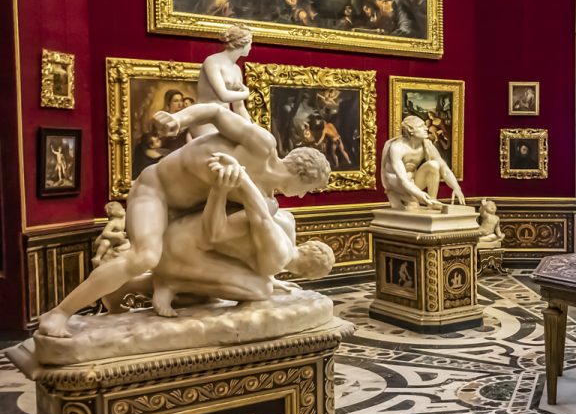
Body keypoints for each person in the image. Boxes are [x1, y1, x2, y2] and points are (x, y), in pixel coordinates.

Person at [37, 102, 331, 338]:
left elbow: (217, 232)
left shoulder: (266, 201)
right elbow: (217, 112)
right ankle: (60, 313)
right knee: (144, 256)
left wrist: (220, 189)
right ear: (302, 175)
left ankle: (130, 290)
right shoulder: (261, 146)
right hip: (155, 190)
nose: (303, 197)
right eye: (309, 190)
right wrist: (179, 120)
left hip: (183, 215)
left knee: (189, 269)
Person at [381, 115, 465, 211]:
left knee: (433, 165)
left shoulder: (426, 145)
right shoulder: (397, 148)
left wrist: (456, 187)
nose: (426, 128)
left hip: (412, 182)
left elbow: (444, 169)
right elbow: (402, 179)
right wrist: (419, 193)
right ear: (411, 130)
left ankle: (432, 201)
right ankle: (410, 200)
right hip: (397, 184)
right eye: (421, 126)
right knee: (413, 208)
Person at [193, 24, 253, 139]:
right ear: (243, 43)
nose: (251, 47)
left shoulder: (236, 69)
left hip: (225, 119)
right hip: (206, 119)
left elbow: (239, 107)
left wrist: (251, 129)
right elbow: (223, 95)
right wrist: (246, 93)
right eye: (250, 44)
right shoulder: (213, 61)